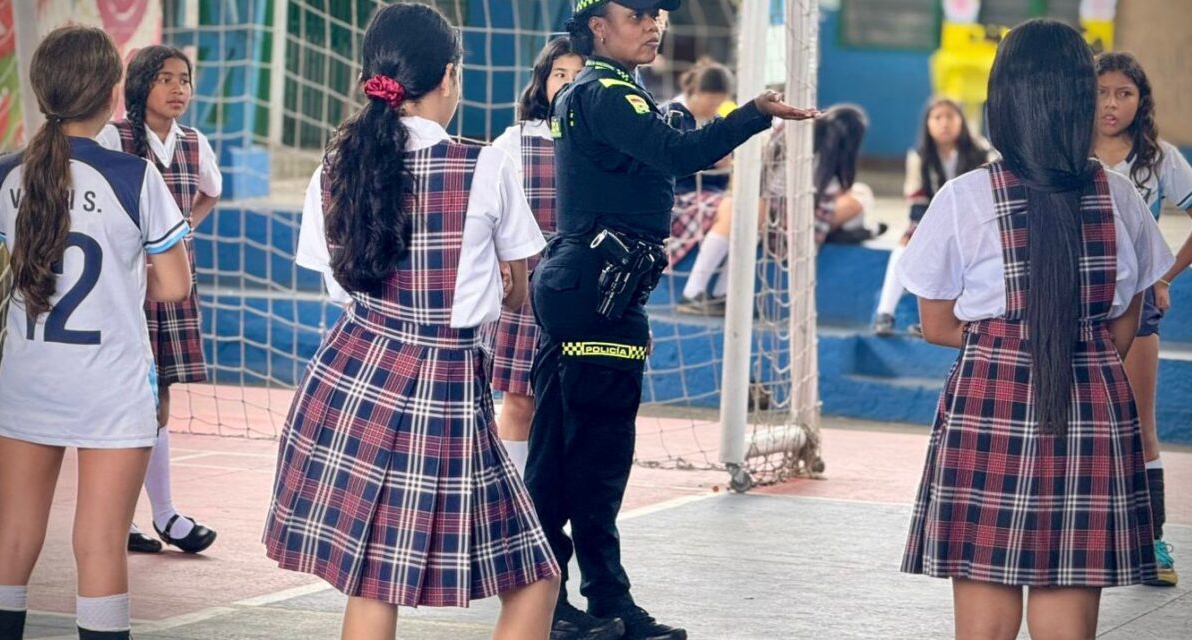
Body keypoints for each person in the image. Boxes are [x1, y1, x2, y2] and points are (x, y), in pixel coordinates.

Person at [265, 4, 559, 638]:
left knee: (374, 583)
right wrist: (493, 288)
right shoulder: (485, 164)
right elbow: (519, 291)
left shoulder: (336, 166)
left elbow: (340, 284)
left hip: (352, 375)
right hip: (443, 384)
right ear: (448, 76)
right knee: (537, 576)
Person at [525, 1, 817, 638]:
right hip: (595, 292)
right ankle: (550, 606)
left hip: (600, 289)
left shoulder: (615, 91)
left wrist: (683, 122)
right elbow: (680, 155)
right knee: (577, 459)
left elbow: (658, 155)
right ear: (597, 26)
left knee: (589, 456)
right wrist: (753, 113)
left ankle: (599, 600)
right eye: (638, 12)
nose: (654, 23)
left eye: (658, 13)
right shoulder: (601, 90)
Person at [898, 20, 1174, 639]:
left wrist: (1007, 347)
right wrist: (1079, 350)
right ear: (1082, 99)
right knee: (1068, 623)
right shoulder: (1121, 196)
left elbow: (937, 323)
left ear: (1004, 99)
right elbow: (1127, 319)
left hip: (988, 402)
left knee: (984, 626)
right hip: (1091, 404)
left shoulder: (964, 197)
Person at [0, 25, 192, 640]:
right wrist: (119, 284)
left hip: (28, 379)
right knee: (98, 546)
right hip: (110, 388)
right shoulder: (134, 176)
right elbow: (174, 286)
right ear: (111, 95)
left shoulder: (2, 175)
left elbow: (0, 275)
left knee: (13, 536)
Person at [1093, 51, 1192, 587]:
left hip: (1136, 303)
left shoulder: (1157, 158)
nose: (1111, 103)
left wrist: (1162, 277)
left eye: (1124, 93)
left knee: (1139, 427)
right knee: (1078, 426)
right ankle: (1083, 535)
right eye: (1102, 91)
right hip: (1076, 300)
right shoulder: (1065, 149)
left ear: (1140, 101)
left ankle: (1151, 542)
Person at [97, 44, 222, 555]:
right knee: (120, 397)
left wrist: (184, 229)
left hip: (170, 285)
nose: (178, 89)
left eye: (185, 80)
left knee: (159, 393)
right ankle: (126, 519)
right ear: (140, 84)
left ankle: (164, 514)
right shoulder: (115, 137)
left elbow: (211, 192)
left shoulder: (195, 143)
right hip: (125, 285)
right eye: (166, 79)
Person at [486, 36, 585, 480]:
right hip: (529, 284)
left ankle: (555, 501)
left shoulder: (607, 139)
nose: (567, 83)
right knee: (520, 400)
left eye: (579, 75)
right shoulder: (515, 141)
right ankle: (510, 503)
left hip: (582, 282)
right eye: (559, 74)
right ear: (542, 82)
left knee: (572, 401)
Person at [873, 97, 993, 337]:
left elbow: (990, 192)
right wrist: (932, 231)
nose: (944, 123)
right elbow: (916, 201)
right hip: (930, 222)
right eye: (937, 118)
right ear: (927, 124)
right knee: (903, 250)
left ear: (962, 121)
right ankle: (885, 313)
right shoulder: (919, 155)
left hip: (974, 223)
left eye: (950, 117)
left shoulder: (982, 150)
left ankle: (945, 321)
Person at [662, 61, 737, 314]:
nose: (714, 106)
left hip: (709, 194)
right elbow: (671, 165)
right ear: (696, 92)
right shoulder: (673, 115)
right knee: (733, 208)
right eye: (711, 100)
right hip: (678, 197)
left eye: (720, 102)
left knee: (751, 211)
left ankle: (721, 293)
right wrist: (709, 158)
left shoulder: (715, 121)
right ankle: (692, 293)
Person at [760, 104, 880, 256]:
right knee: (858, 200)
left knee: (858, 193)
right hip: (796, 232)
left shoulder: (792, 137)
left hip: (772, 219)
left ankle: (864, 230)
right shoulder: (826, 166)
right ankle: (864, 231)